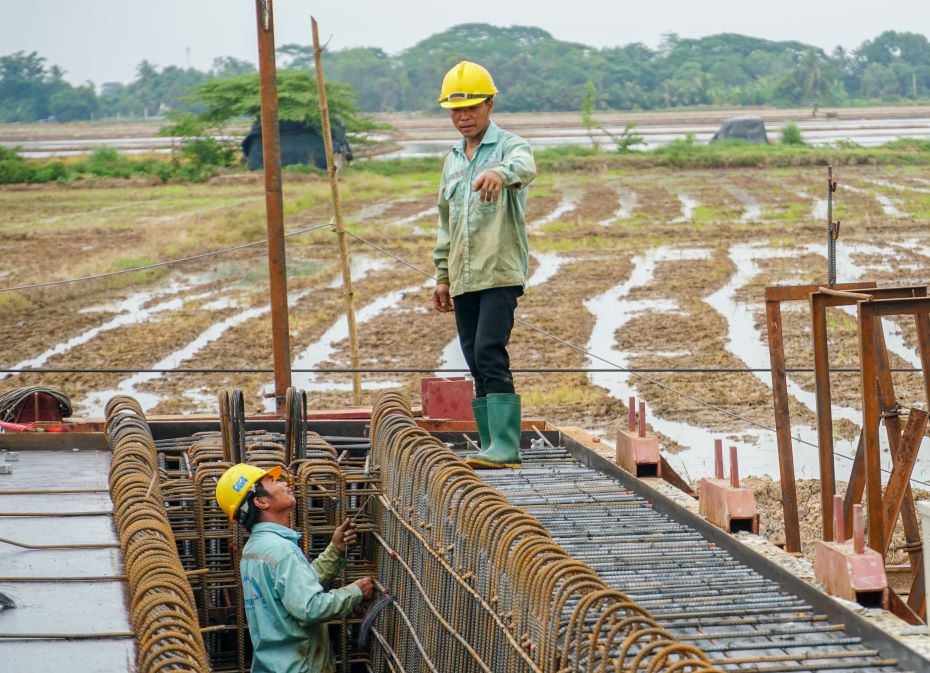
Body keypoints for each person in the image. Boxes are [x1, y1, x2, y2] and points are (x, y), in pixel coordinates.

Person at [432, 61, 537, 469]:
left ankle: (506, 447)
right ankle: (490, 444)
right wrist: (442, 274)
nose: (463, 117)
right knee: (474, 356)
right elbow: (445, 220)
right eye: (456, 111)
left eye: (472, 108)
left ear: (490, 105)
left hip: (499, 271)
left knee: (491, 350)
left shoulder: (511, 146)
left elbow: (526, 167)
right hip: (463, 276)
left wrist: (500, 172)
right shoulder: (453, 160)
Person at [216, 463, 375, 673]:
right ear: (261, 501)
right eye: (273, 481)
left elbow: (295, 590)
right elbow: (310, 608)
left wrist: (335, 552)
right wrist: (354, 592)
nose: (284, 483)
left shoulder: (254, 550)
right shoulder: (282, 550)